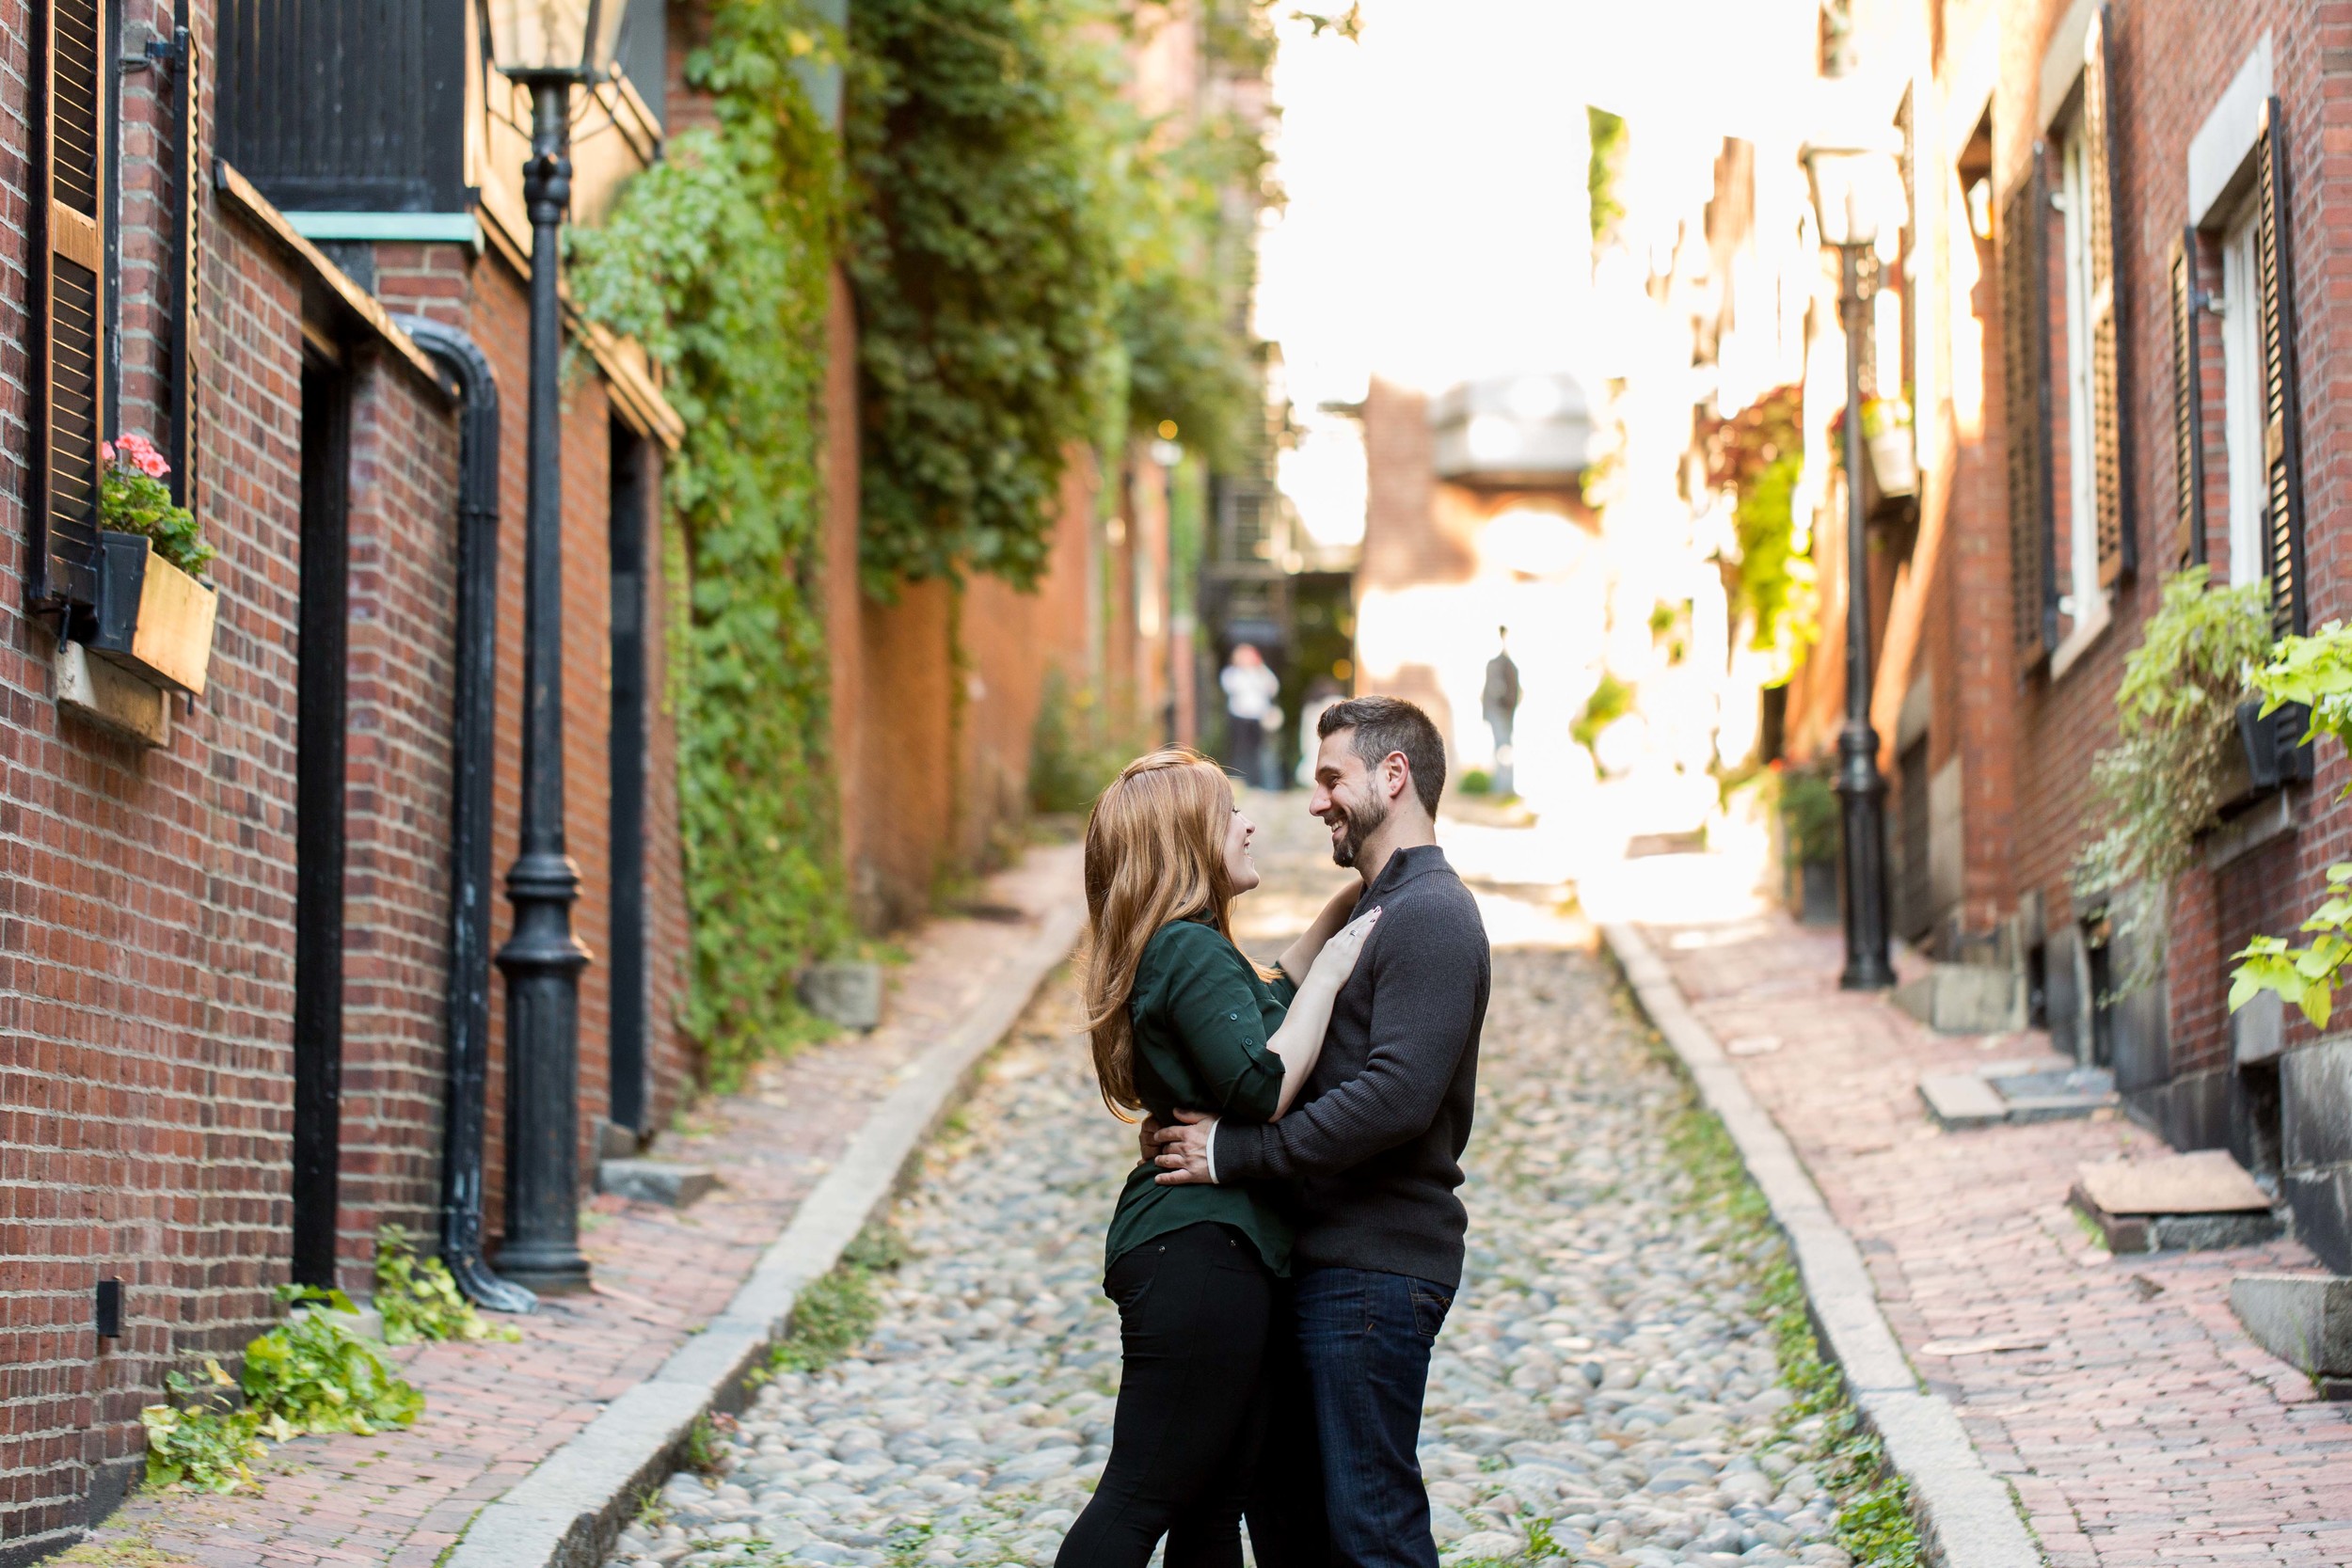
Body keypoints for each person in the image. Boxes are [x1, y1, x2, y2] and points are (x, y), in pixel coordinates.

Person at [1151, 696, 1491, 1568]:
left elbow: (1395, 1099)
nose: (1316, 802)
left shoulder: (1433, 916)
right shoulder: (1378, 905)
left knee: (1372, 1531)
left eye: (1332, 778)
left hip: (1375, 1272)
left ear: (1394, 774)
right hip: (1326, 1263)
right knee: (1297, 1530)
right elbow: (1274, 1002)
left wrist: (1236, 1153)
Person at [1057, 749, 1382, 1568]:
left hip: (1206, 1247)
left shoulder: (1193, 952)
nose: (1247, 823)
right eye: (1228, 810)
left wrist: (1371, 886)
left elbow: (1279, 984)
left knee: (1209, 1508)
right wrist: (1333, 977)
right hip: (1199, 1247)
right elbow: (1263, 1081)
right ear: (1187, 841)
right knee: (1139, 1498)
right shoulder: (1188, 951)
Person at [1219, 643, 1280, 792]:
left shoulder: (1261, 672)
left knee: (1260, 750)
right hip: (1239, 717)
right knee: (1240, 750)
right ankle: (1241, 782)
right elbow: (1231, 687)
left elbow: (1273, 687)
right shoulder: (1232, 673)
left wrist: (1259, 668)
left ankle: (1261, 784)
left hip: (1258, 717)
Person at [1482, 627, 1521, 797]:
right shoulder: (1494, 664)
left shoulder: (1509, 665)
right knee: (1500, 749)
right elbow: (1488, 691)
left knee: (1504, 749)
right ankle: (1501, 788)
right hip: (1497, 713)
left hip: (1505, 713)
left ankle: (1505, 788)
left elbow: (1514, 692)